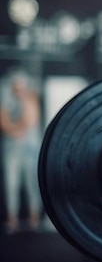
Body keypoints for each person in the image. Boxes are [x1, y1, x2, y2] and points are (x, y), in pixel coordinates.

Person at [0, 68, 43, 234]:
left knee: (32, 182)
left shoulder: (30, 99)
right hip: (11, 148)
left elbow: (30, 119)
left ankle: (34, 217)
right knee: (11, 183)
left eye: (21, 85)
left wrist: (15, 128)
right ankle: (12, 218)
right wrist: (15, 130)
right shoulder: (5, 101)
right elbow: (4, 123)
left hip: (29, 148)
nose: (18, 88)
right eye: (15, 85)